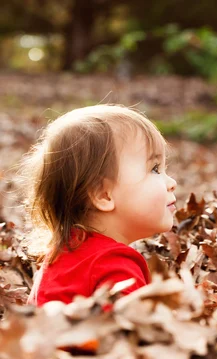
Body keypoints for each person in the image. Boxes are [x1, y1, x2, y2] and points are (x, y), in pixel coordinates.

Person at [16, 104, 178, 306]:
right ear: (103, 195)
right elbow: (127, 334)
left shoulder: (63, 255)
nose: (172, 183)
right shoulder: (114, 264)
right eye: (154, 169)